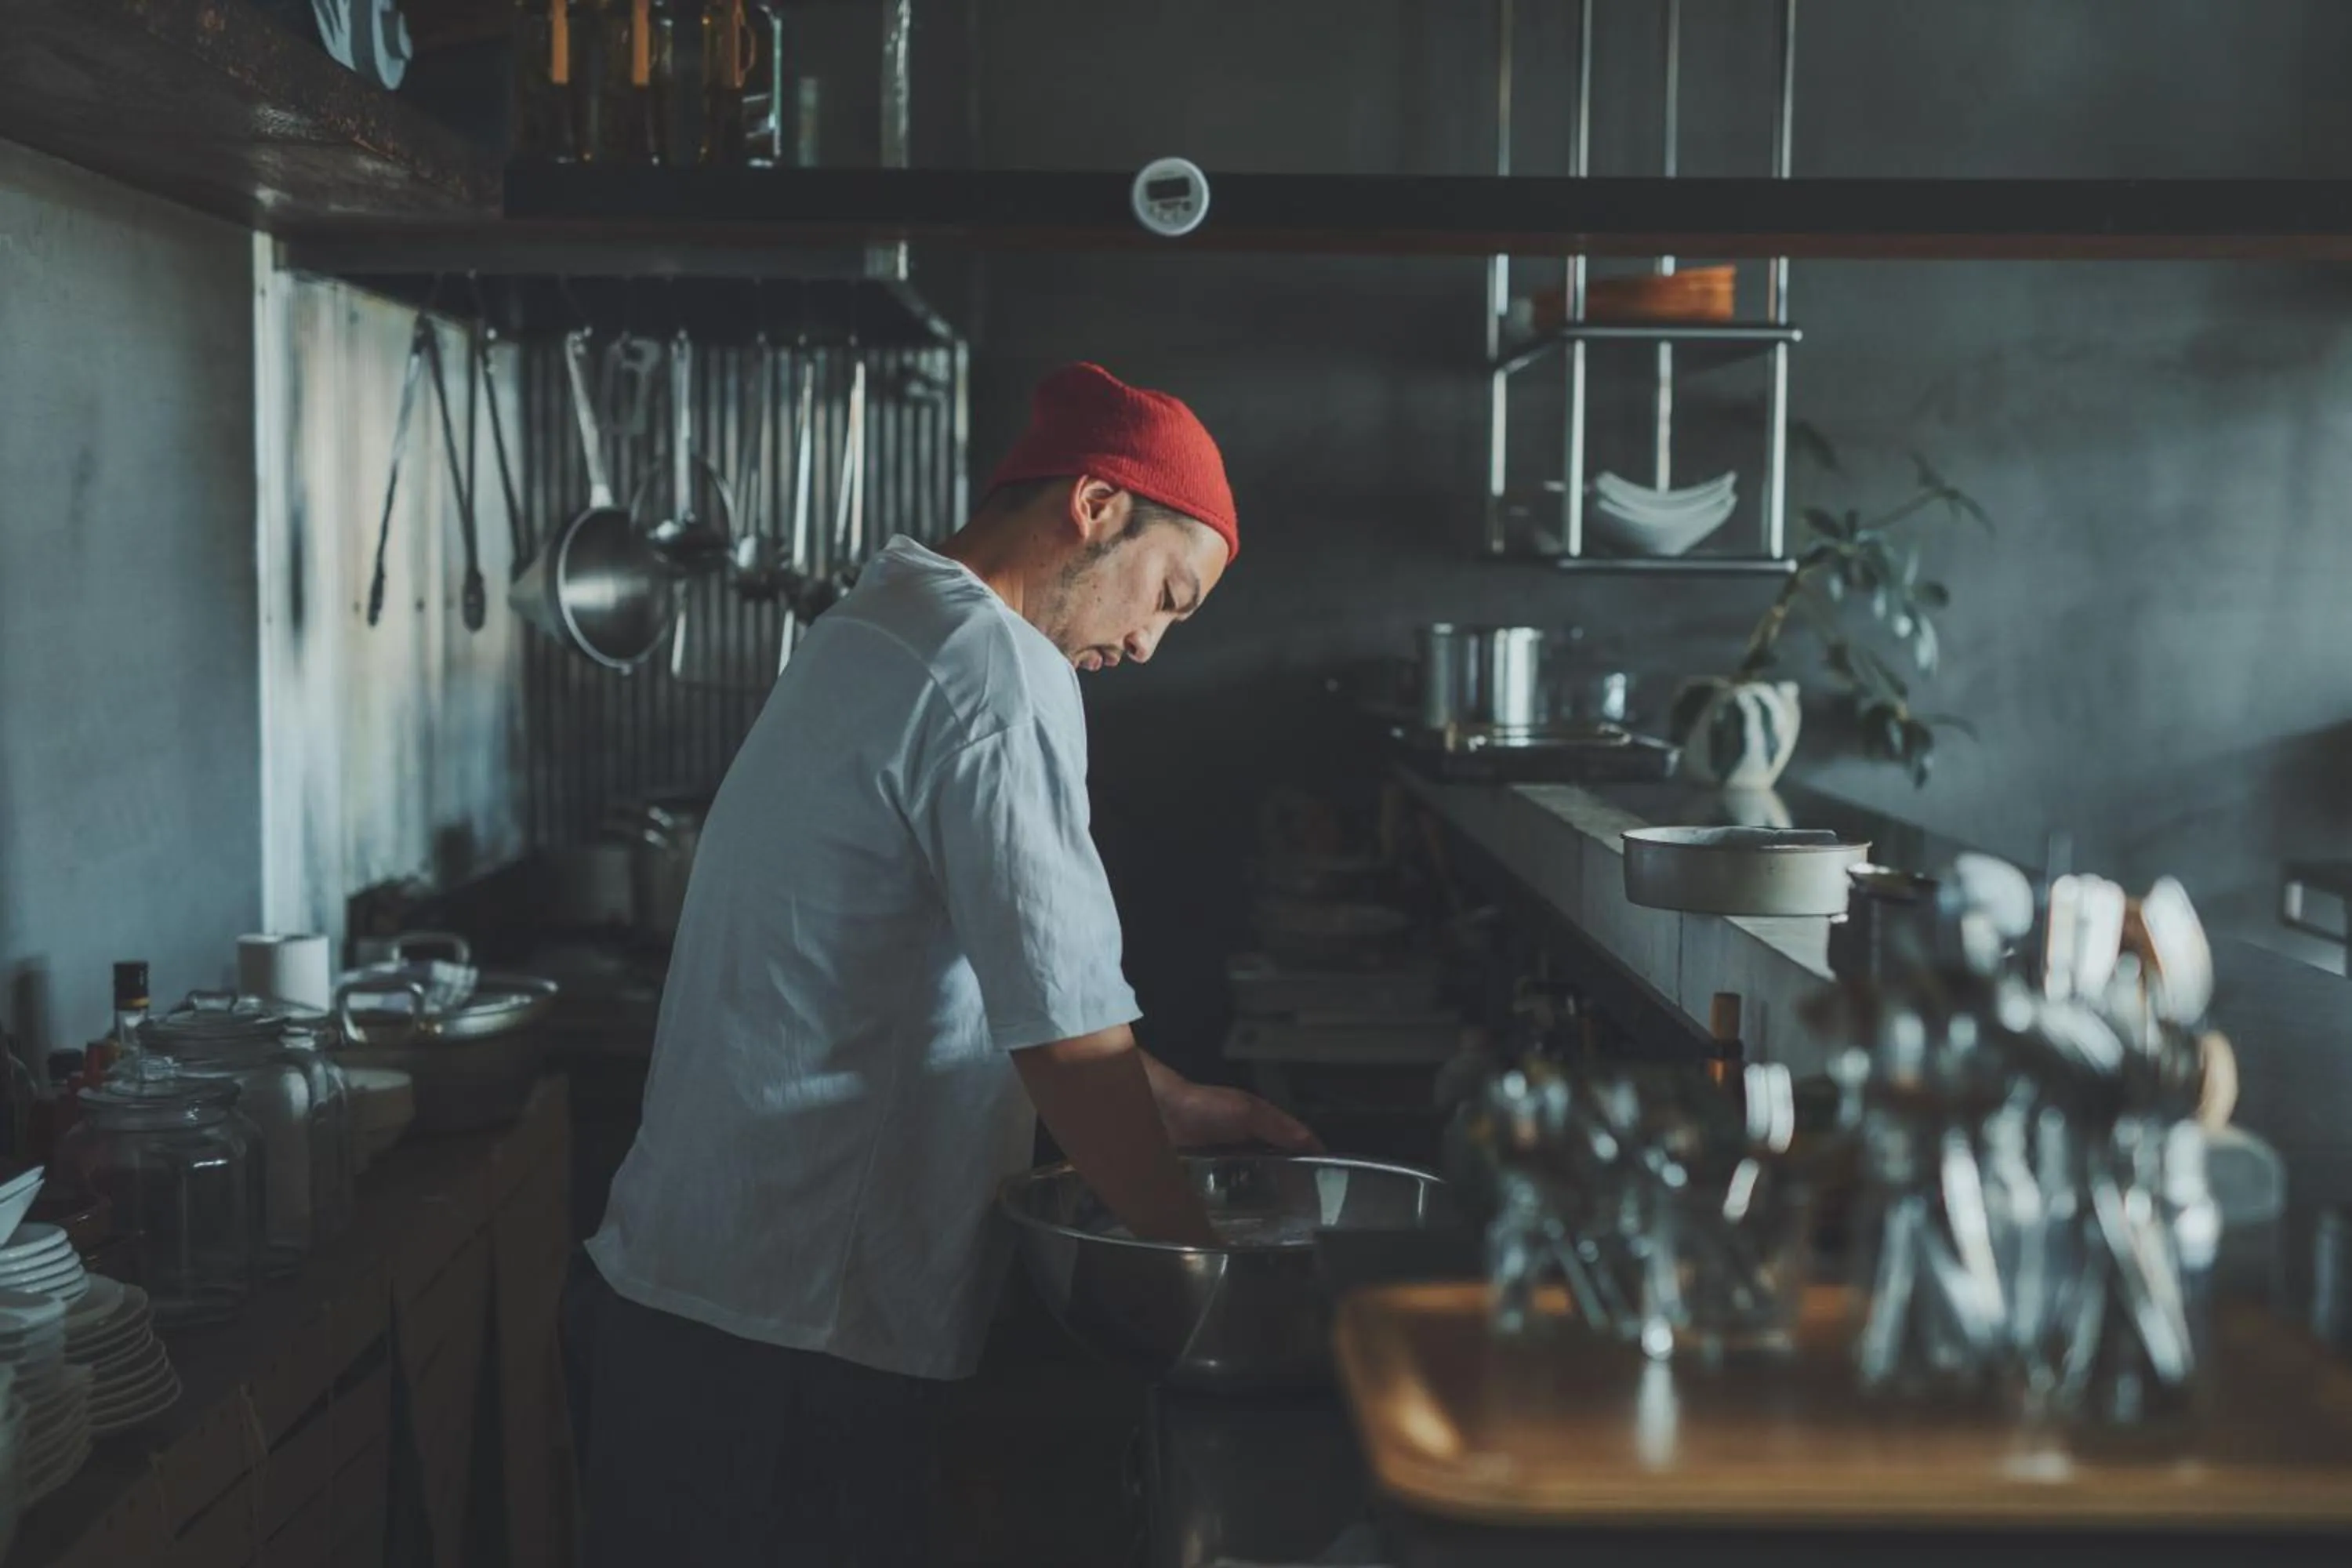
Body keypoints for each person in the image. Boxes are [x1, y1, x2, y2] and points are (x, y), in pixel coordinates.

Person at [572, 361, 1318, 1566]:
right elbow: (1067, 1042)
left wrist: (1171, 1105)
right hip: (791, 1336)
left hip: (696, 1306)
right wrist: (1203, 1278)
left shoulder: (882, 620)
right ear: (1096, 505)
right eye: (1168, 596)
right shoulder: (993, 671)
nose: (1145, 643)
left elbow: (984, 982)